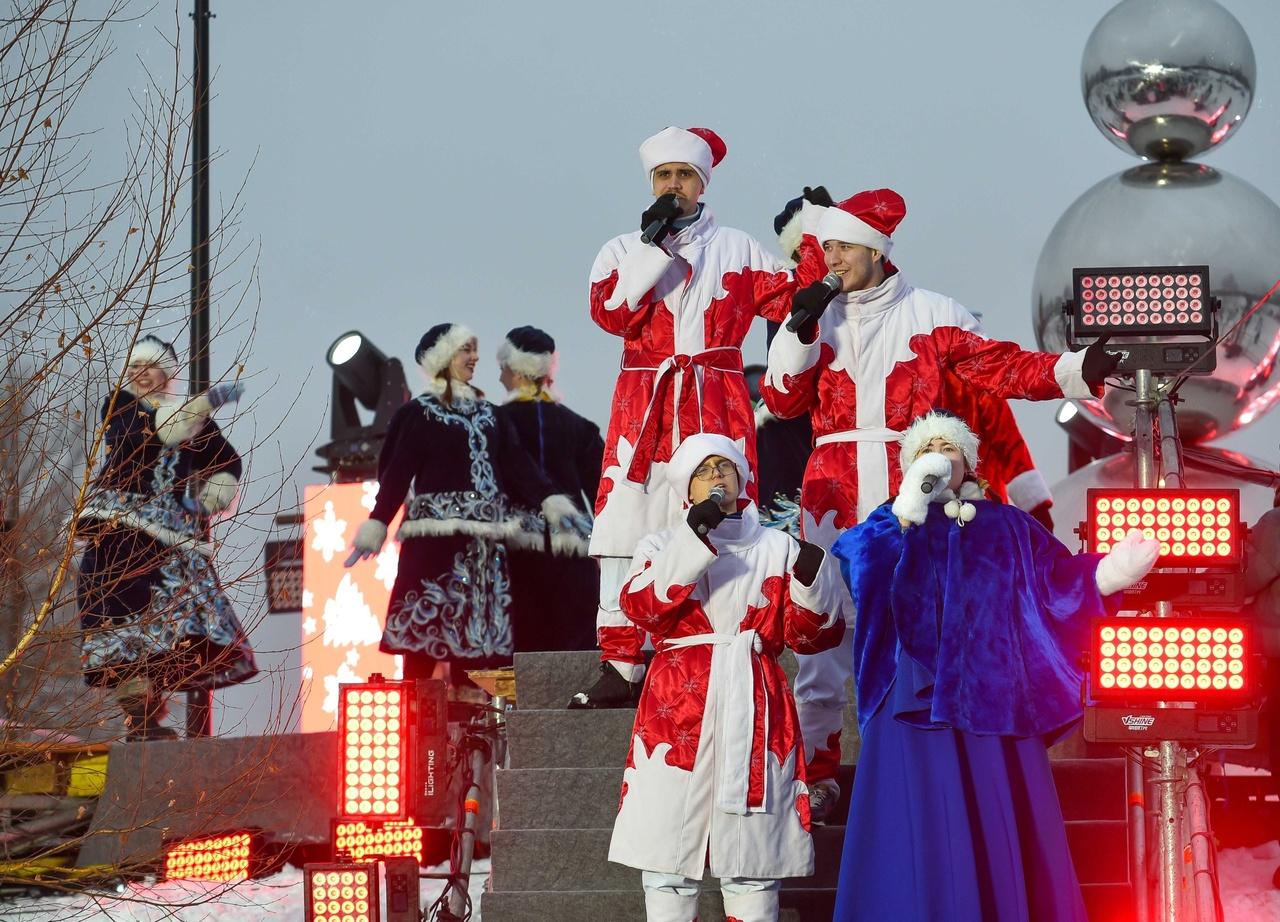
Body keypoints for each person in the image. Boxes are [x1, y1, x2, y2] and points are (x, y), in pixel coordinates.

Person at [760, 188, 1120, 819]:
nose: (829, 256)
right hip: (830, 491)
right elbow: (783, 400)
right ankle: (818, 776)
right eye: (826, 245)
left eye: (840, 245)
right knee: (820, 646)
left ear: (873, 250)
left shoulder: (932, 313)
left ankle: (898, 771)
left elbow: (999, 368)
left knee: (907, 636)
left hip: (909, 494)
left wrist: (1073, 369)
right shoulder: (816, 314)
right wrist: (799, 325)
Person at [829, 410, 1159, 921]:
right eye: (926, 448)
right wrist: (907, 511)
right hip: (911, 711)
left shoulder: (1007, 524)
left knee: (1000, 823)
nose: (940, 453)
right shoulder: (889, 523)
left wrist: (1106, 573)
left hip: (993, 701)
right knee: (916, 828)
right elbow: (861, 571)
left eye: (950, 445)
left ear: (971, 464)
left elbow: (1054, 581)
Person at [573, 126, 825, 709]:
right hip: (645, 403)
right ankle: (620, 663)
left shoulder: (736, 247)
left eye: (684, 176)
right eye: (663, 177)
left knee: (720, 518)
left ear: (702, 183)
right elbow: (611, 313)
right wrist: (651, 247)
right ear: (651, 184)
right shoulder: (620, 250)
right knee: (625, 530)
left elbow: (796, 302)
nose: (673, 186)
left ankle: (714, 640)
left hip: (716, 396)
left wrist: (813, 239)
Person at [608, 433, 845, 922]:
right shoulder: (658, 544)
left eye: (725, 467)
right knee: (668, 857)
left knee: (752, 859)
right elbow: (643, 608)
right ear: (687, 490)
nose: (717, 476)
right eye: (704, 470)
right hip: (678, 709)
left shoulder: (777, 546)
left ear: (742, 478)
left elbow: (812, 636)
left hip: (754, 698)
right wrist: (691, 540)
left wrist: (810, 580)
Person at [346, 323, 579, 687]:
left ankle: (479, 731)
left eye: (475, 349)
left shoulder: (492, 416)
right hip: (434, 546)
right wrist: (377, 523)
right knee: (424, 637)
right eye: (465, 350)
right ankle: (417, 727)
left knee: (481, 643)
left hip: (484, 548)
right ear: (443, 358)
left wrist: (551, 501)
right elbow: (395, 476)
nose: (475, 357)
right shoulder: (417, 414)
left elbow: (520, 468)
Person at [76, 335, 256, 740]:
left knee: (175, 621)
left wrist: (218, 487)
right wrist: (204, 404)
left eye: (148, 367)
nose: (139, 375)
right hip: (121, 531)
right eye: (134, 367)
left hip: (170, 534)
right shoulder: (120, 405)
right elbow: (145, 436)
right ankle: (139, 716)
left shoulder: (193, 419)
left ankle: (152, 716)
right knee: (123, 618)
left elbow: (226, 457)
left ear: (166, 373)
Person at [494, 325, 602, 652]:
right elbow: (603, 492)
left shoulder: (495, 423)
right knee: (577, 649)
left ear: (514, 370)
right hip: (573, 555)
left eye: (502, 369)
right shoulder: (579, 427)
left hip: (515, 555)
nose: (500, 378)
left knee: (520, 653)